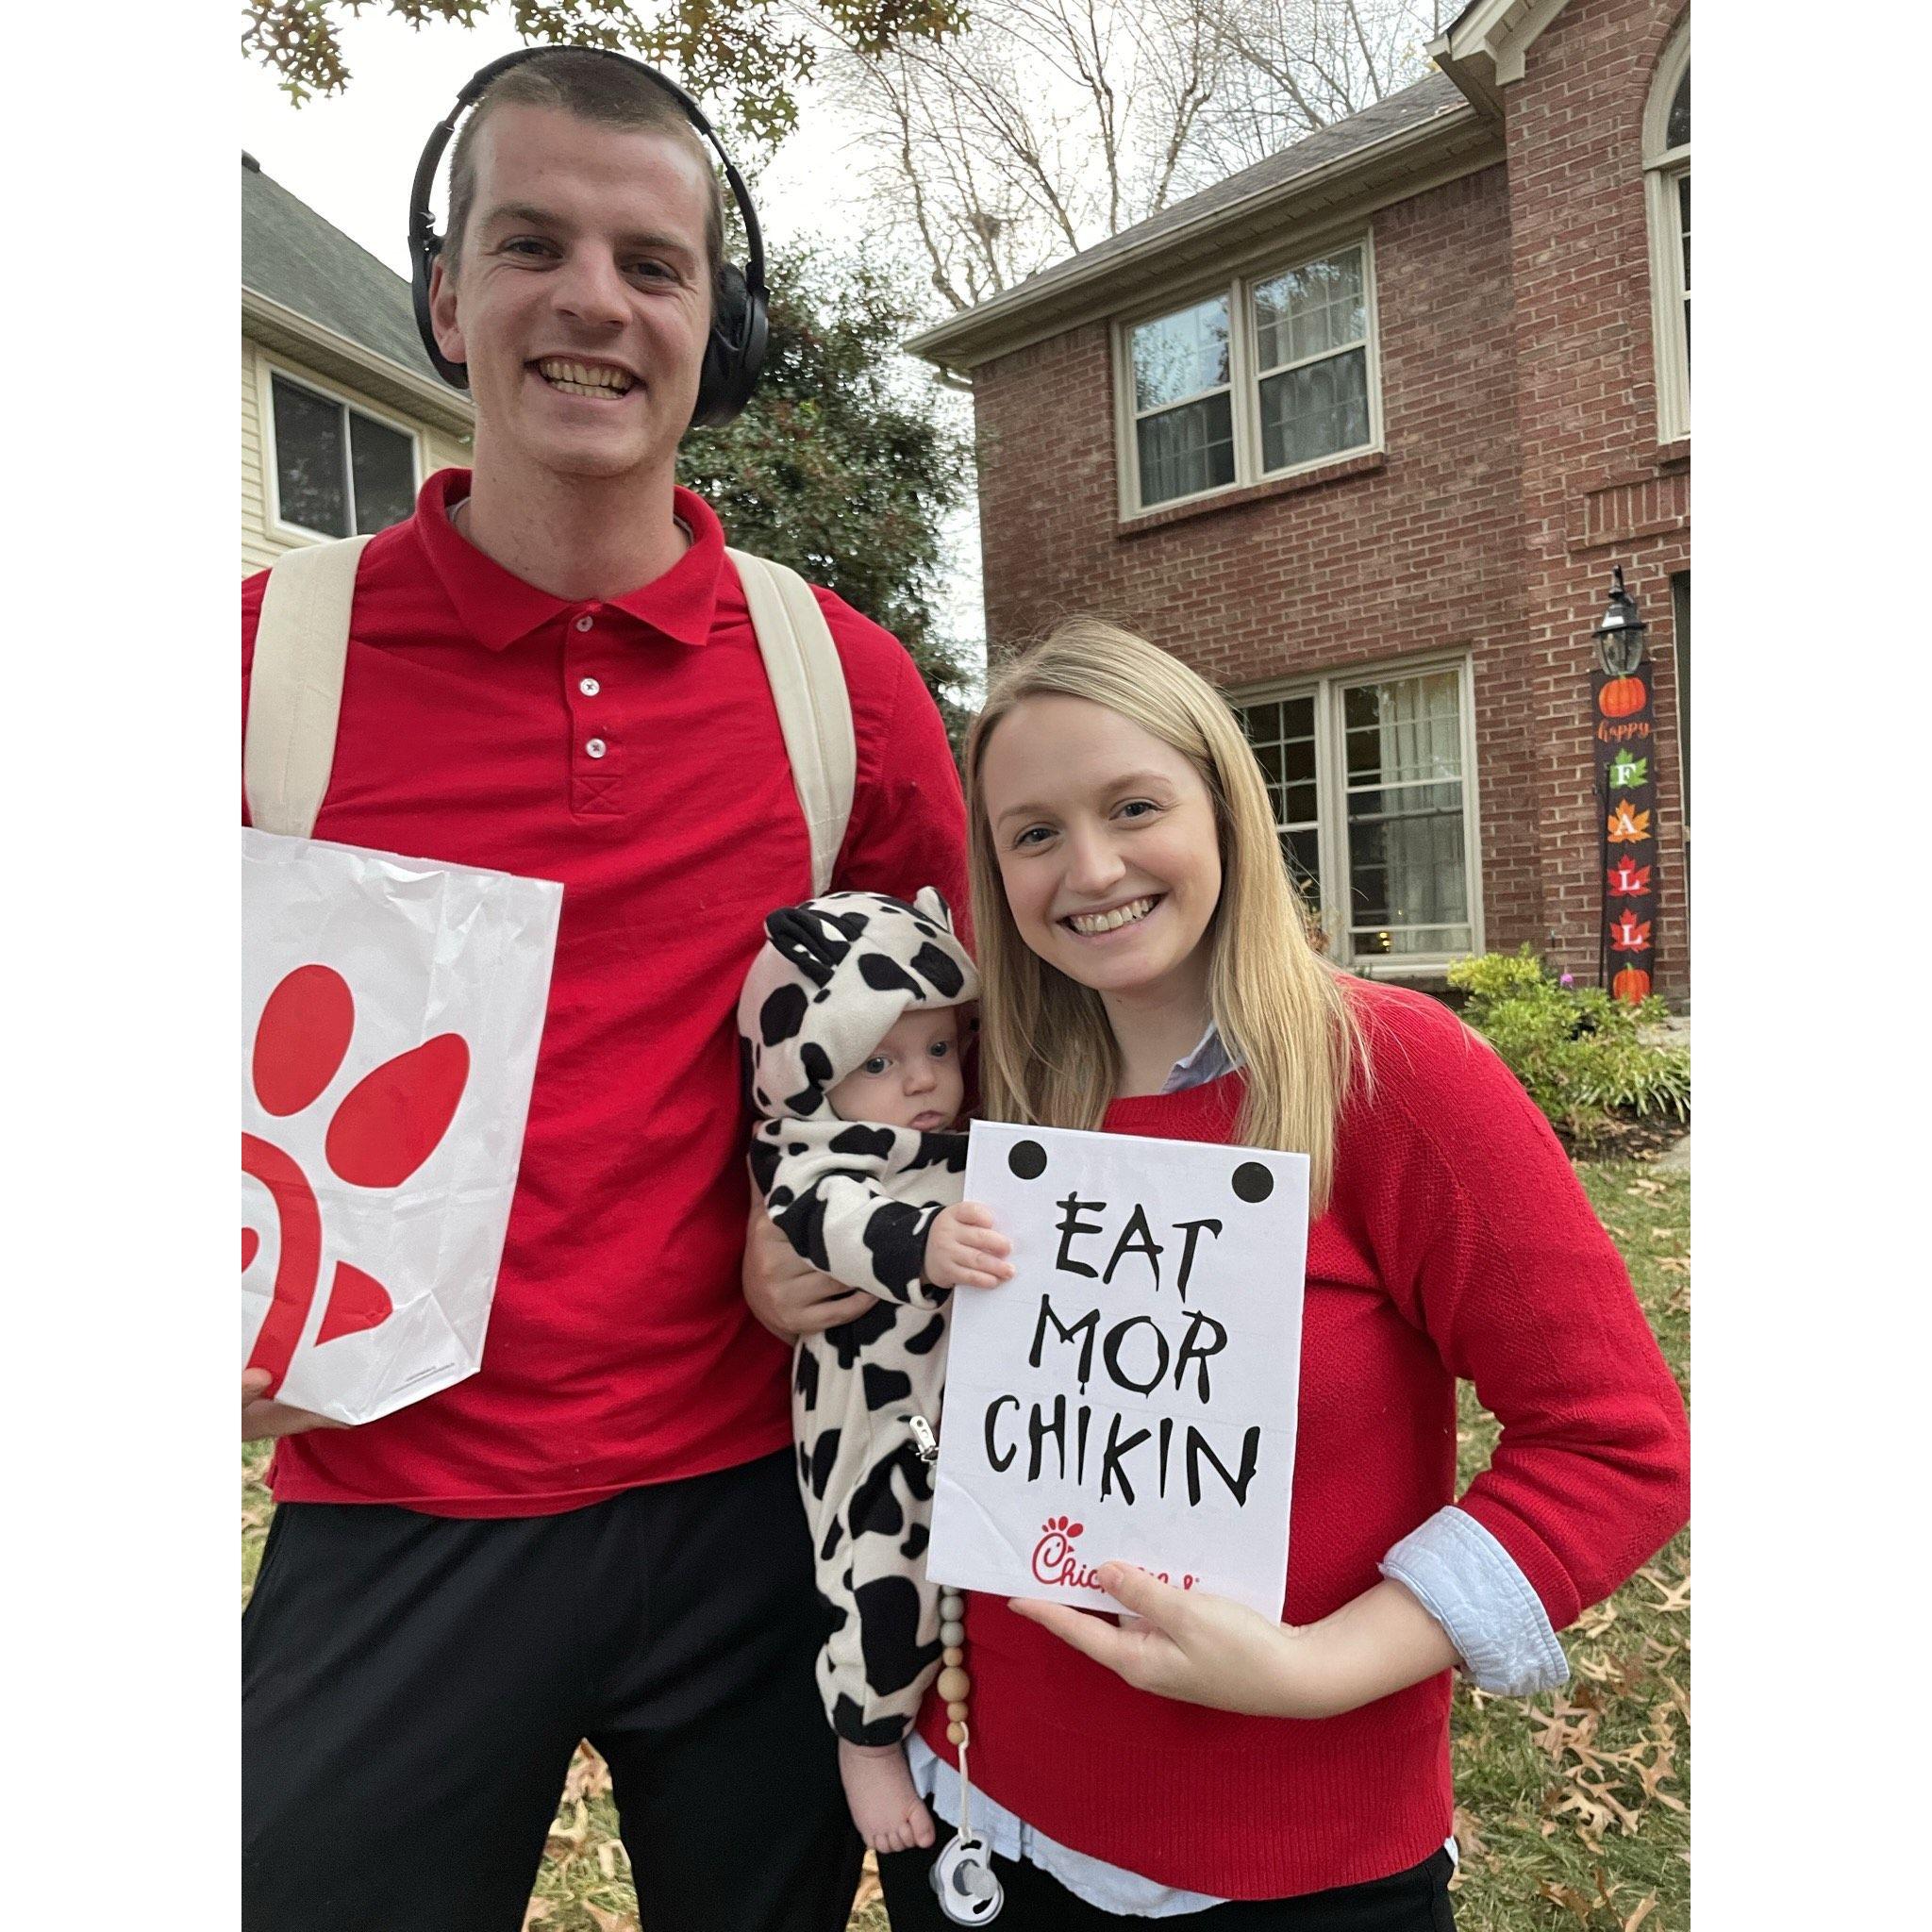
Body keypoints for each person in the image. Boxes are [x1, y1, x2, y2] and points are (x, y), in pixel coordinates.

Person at [241, 48, 966, 1932]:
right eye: (530, 242)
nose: (591, 300)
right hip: (388, 1507)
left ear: (712, 324)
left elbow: (1001, 1051)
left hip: (758, 1509)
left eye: (653, 264)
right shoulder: (258, 664)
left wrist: (861, 1212)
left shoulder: (838, 682)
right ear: (443, 290)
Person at [748, 619, 1691, 1929]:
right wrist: (778, 1266)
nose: (1091, 867)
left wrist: (1318, 1667)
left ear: (1226, 810)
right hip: (975, 1829)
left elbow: (1617, 1447)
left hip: (1290, 1862)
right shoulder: (988, 1101)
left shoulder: (1393, 1076)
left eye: (1135, 806)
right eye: (1032, 833)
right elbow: (817, 1194)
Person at [735, 886, 1012, 1855]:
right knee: (877, 1572)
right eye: (881, 1060)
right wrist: (923, 1238)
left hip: (970, 1410)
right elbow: (832, 1222)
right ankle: (865, 1732)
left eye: (939, 1048)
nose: (923, 1080)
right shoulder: (810, 1155)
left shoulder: (961, 1136)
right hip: (868, 1422)